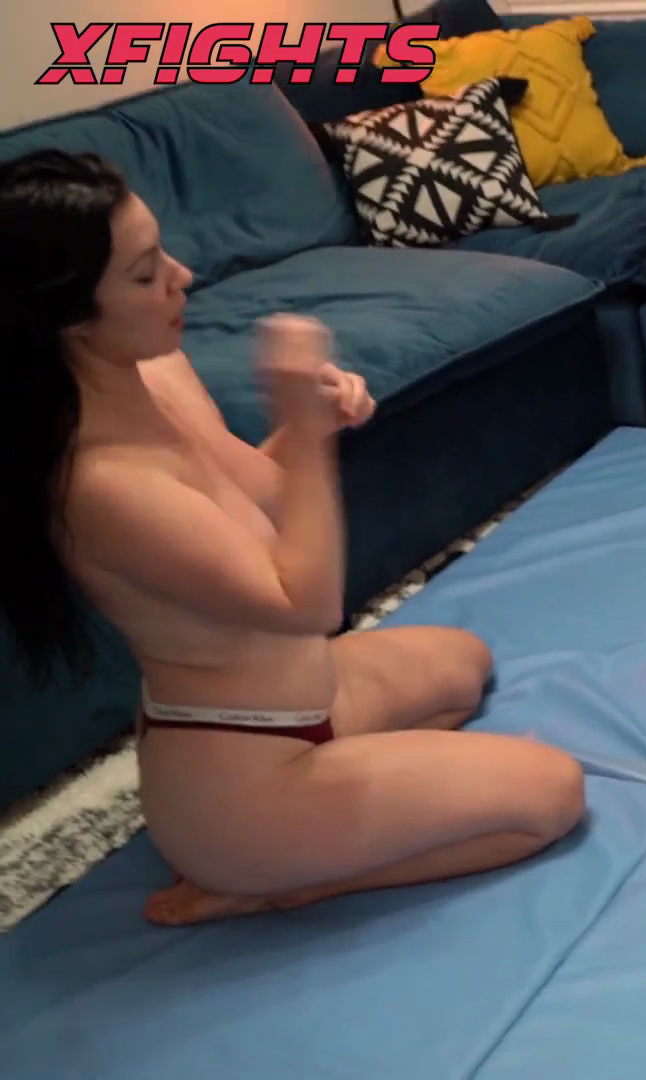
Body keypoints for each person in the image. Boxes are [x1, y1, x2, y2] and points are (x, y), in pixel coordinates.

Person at [0, 149, 586, 926]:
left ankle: (321, 837)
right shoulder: (100, 484)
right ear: (70, 317)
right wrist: (304, 433)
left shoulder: (159, 374)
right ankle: (280, 879)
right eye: (145, 275)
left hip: (311, 696)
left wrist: (314, 418)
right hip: (240, 780)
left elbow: (266, 493)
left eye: (163, 253)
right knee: (552, 796)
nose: (182, 277)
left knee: (465, 665)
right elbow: (306, 602)